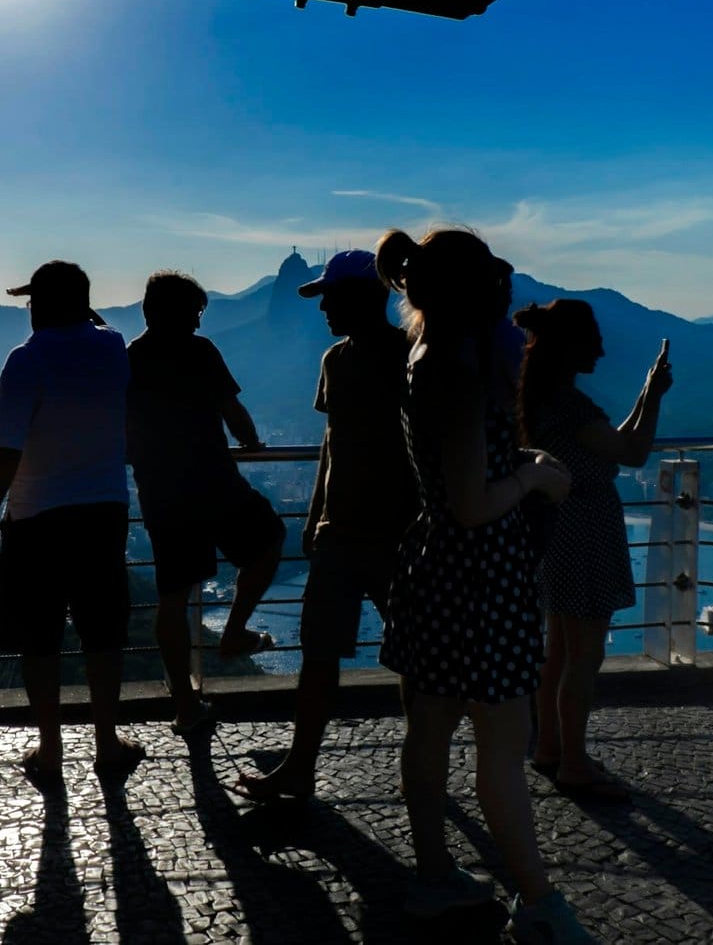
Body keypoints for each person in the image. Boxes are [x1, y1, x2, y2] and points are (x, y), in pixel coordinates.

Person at [374, 228, 593, 943]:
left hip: (433, 569)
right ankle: (538, 905)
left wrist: (517, 456)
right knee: (502, 744)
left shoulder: (422, 353)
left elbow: (454, 476)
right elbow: (474, 504)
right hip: (482, 577)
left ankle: (435, 878)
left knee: (428, 729)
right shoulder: (460, 370)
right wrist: (532, 474)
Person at [230, 249, 414, 801]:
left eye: (331, 297)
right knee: (318, 651)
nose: (323, 309)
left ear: (366, 295)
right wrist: (315, 516)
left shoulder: (410, 356)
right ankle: (299, 766)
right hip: (340, 531)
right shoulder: (336, 360)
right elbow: (334, 443)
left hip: (400, 533)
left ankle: (424, 762)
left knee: (414, 652)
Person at [0, 260, 144, 786]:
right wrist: (77, 309)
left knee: (39, 638)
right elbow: (98, 325)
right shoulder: (114, 348)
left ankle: (50, 751)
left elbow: (4, 450)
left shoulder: (26, 360)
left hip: (37, 516)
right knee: (103, 633)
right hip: (104, 512)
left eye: (32, 302)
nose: (28, 311)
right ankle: (106, 743)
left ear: (42, 306)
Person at [516, 299, 671, 800]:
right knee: (584, 657)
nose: (602, 349)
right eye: (594, 340)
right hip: (586, 532)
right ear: (572, 346)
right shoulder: (571, 406)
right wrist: (656, 398)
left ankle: (550, 749)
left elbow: (613, 442)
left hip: (556, 528)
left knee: (557, 652)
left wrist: (646, 394)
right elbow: (633, 452)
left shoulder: (544, 401)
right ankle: (575, 763)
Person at [126, 270, 285, 735]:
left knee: (173, 598)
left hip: (160, 491)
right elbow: (232, 411)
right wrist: (252, 440)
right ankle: (235, 630)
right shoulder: (199, 351)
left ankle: (185, 705)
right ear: (178, 312)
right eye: (195, 313)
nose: (198, 323)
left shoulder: (129, 358)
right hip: (214, 482)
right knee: (270, 539)